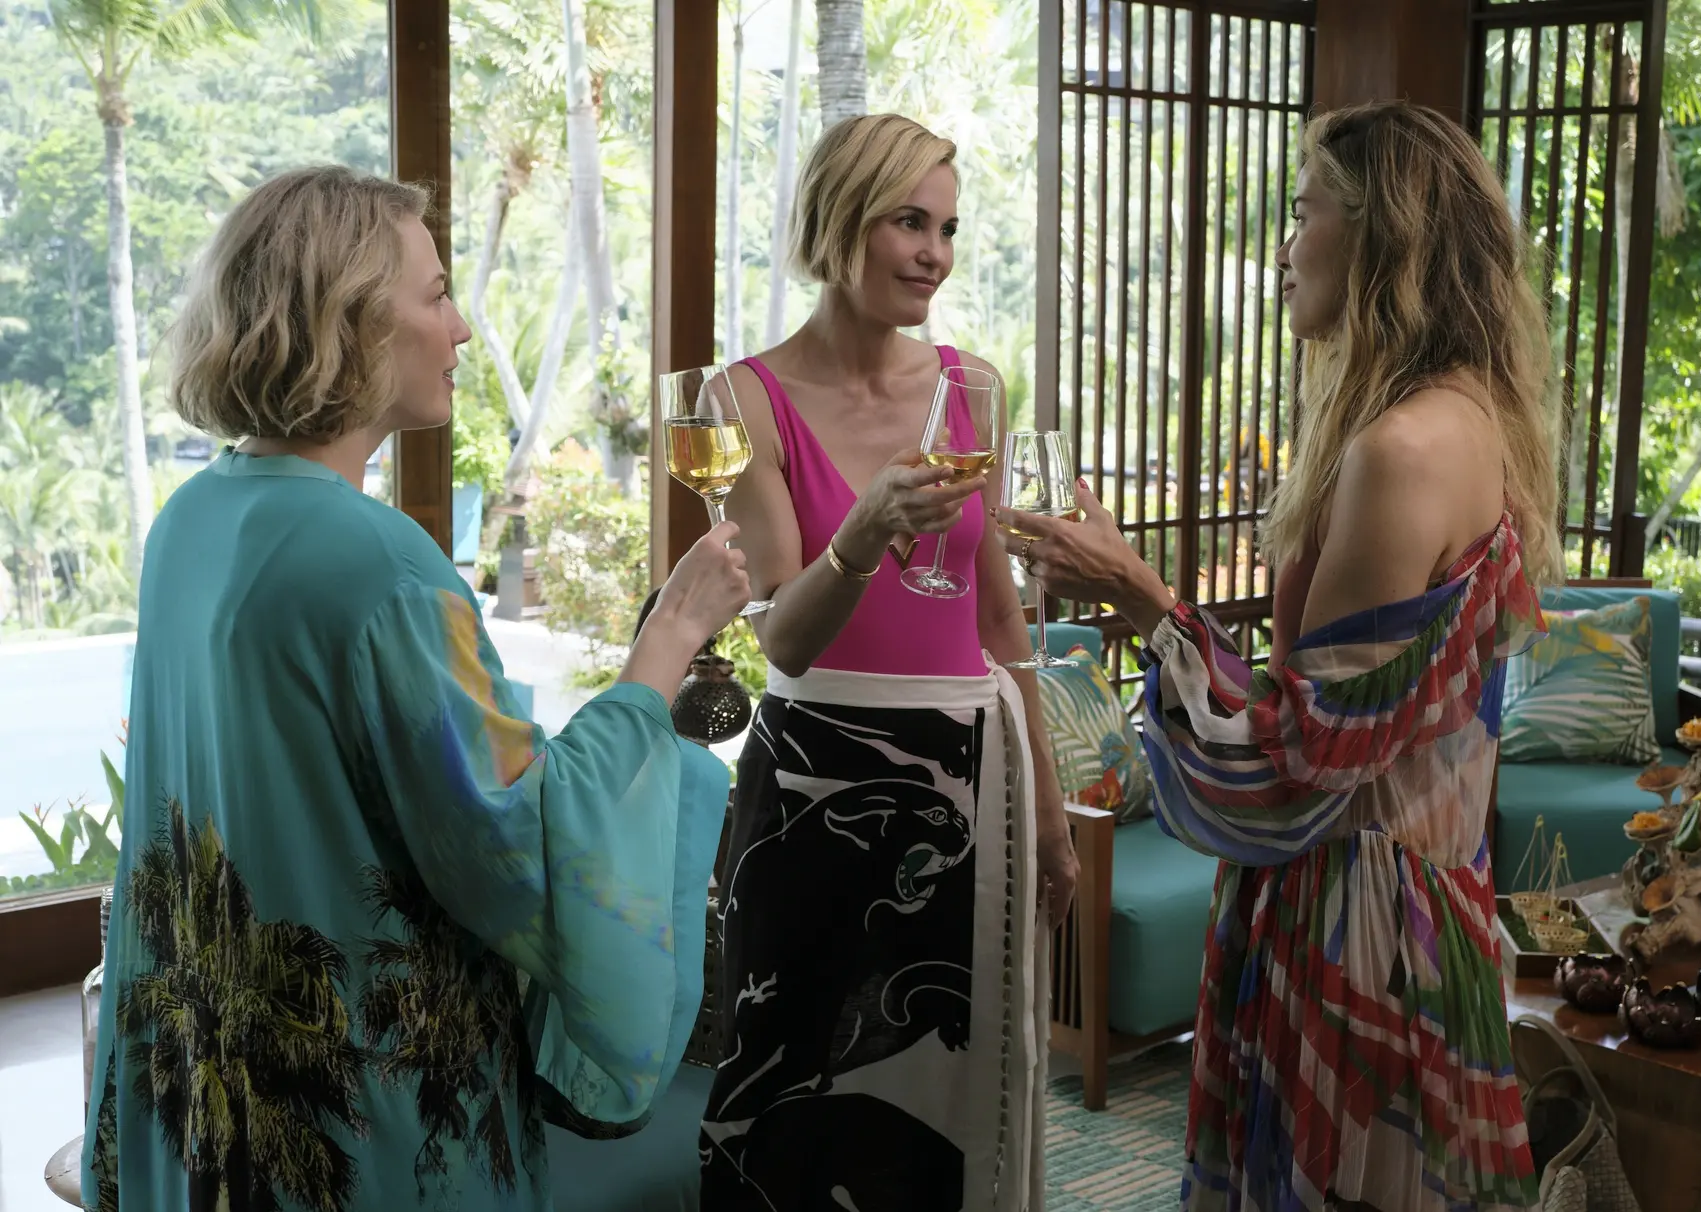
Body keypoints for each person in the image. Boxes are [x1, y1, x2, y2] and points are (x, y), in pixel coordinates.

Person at [81, 166, 750, 1212]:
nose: (463, 328)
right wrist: (671, 635)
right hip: (360, 1115)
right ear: (349, 321)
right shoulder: (382, 563)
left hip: (219, 1096)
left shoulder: (189, 522)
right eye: (436, 294)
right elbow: (522, 838)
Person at [997, 101, 1559, 1212]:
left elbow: (1304, 758)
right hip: (1428, 908)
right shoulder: (1472, 418)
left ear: (1381, 234)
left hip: (1358, 930)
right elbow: (1357, 726)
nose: (1285, 247)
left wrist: (1141, 596)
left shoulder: (1398, 449)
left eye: (1304, 213)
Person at [700, 113, 1077, 1210]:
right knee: (791, 1075)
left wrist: (1047, 804)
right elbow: (784, 638)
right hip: (811, 776)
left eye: (947, 228)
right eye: (909, 222)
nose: (934, 254)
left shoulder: (971, 384)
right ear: (839, 222)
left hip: (969, 770)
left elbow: (999, 620)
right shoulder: (742, 397)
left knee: (954, 1083)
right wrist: (864, 532)